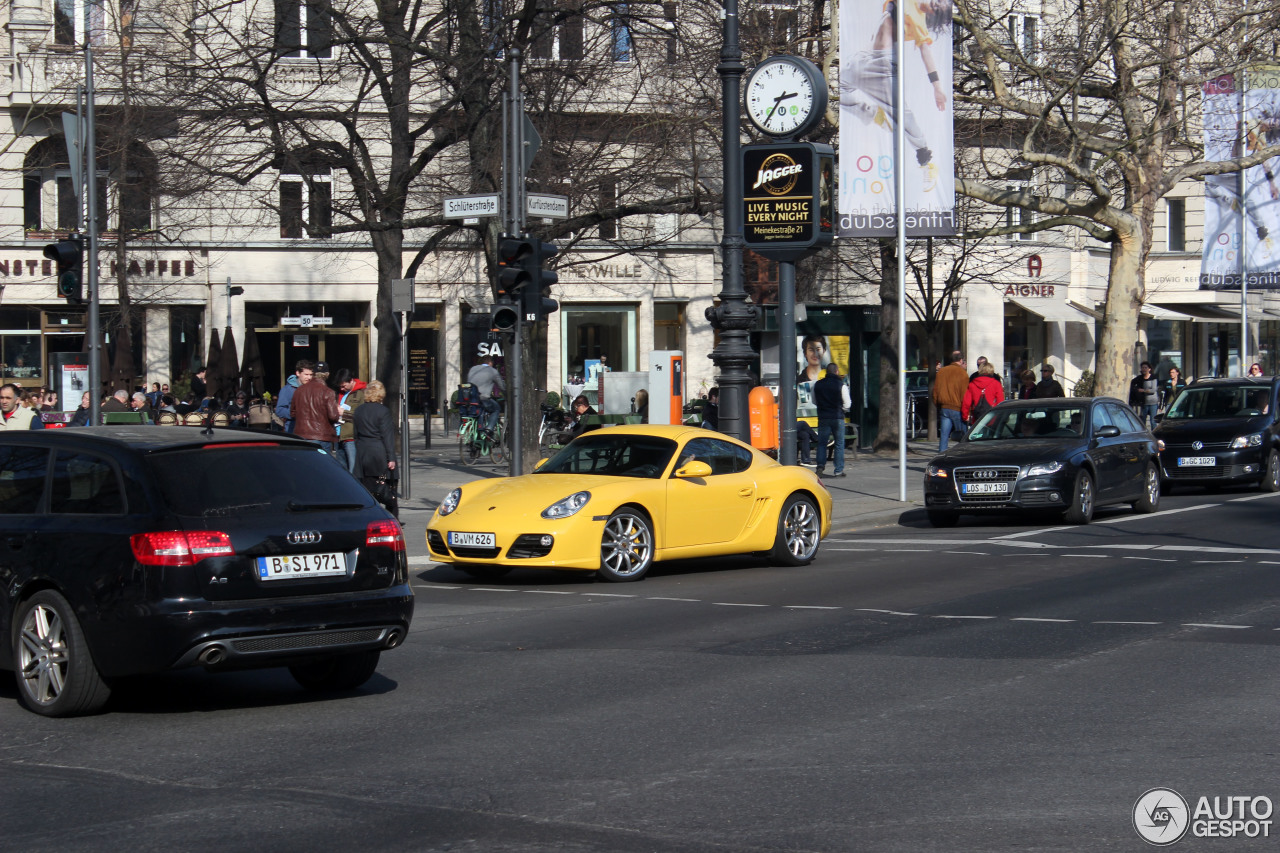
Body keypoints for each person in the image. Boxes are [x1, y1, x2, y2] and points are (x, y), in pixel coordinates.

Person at [840, 0, 950, 193]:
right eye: (939, 0)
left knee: (902, 114)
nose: (936, 2)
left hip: (884, 65)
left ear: (933, 13)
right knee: (838, 92)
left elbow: (926, 53)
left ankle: (925, 158)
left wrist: (937, 87)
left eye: (938, 7)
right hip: (864, 57)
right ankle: (874, 114)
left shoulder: (919, 22)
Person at [353, 380, 398, 518]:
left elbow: (356, 435)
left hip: (363, 452)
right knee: (389, 487)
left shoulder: (359, 410)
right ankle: (392, 518)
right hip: (379, 452)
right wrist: (391, 457)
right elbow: (387, 436)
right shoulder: (383, 411)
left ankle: (370, 516)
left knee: (367, 487)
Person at [291, 361, 340, 453]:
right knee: (322, 465)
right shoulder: (328, 392)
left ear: (313, 374)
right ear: (327, 374)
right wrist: (338, 412)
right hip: (322, 435)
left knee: (305, 464)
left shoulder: (299, 390)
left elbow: (293, 413)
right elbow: (333, 416)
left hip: (302, 434)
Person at [813, 363, 846, 478]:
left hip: (823, 417)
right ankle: (838, 470)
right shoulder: (841, 385)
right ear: (836, 371)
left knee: (822, 443)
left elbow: (814, 401)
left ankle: (820, 467)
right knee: (839, 443)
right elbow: (848, 403)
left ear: (826, 372)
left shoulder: (818, 385)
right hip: (837, 417)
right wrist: (843, 409)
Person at [933, 350, 968, 451]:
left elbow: (935, 392)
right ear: (961, 360)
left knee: (944, 437)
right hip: (958, 408)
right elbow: (965, 394)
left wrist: (939, 405)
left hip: (944, 407)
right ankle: (962, 457)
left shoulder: (941, 372)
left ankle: (941, 458)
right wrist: (967, 411)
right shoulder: (962, 373)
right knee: (963, 437)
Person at [334, 368, 367, 473]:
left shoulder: (361, 394)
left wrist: (344, 413)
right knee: (341, 470)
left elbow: (362, 415)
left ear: (351, 381)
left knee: (353, 470)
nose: (342, 388)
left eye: (344, 386)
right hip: (338, 436)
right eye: (340, 386)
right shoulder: (338, 393)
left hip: (351, 437)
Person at [466, 355, 505, 434]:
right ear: (490, 362)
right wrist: (506, 394)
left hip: (471, 399)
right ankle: (489, 428)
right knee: (496, 409)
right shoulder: (492, 371)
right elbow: (502, 386)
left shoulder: (473, 369)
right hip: (483, 398)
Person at [275, 359, 314, 433]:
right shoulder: (288, 389)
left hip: (311, 430)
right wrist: (296, 413)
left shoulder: (313, 388)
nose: (309, 378)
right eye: (306, 374)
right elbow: (279, 410)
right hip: (294, 430)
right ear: (298, 373)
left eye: (311, 375)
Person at [1129, 361, 1160, 427]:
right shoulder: (1139, 378)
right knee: (1142, 420)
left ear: (1149, 369)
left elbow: (1153, 390)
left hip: (1152, 402)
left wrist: (1144, 390)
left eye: (1145, 367)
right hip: (1143, 402)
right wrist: (1136, 390)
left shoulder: (1153, 378)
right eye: (1142, 368)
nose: (1144, 369)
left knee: (1152, 420)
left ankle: (1154, 434)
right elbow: (1132, 383)